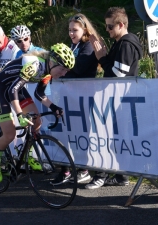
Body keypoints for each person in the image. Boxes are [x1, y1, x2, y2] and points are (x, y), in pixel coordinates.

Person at [0, 43, 75, 182]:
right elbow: (12, 91)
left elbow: (40, 94)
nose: (64, 73)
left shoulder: (47, 71)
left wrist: (54, 107)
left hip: (16, 89)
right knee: (10, 134)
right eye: (63, 69)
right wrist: (19, 114)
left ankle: (27, 156)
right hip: (0, 89)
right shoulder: (34, 65)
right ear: (53, 61)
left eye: (66, 71)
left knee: (37, 121)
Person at [84, 7, 143, 189]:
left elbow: (118, 73)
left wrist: (102, 57)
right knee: (114, 138)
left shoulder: (126, 44)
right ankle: (120, 175)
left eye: (110, 27)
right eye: (106, 27)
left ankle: (102, 175)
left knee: (108, 137)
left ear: (121, 24)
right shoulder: (121, 42)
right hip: (118, 99)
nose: (108, 30)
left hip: (121, 100)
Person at [50, 13, 100, 186]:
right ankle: (67, 168)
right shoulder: (73, 45)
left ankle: (84, 169)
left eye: (75, 30)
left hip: (84, 95)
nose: (71, 33)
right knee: (67, 133)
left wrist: (60, 65)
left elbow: (78, 68)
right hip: (68, 95)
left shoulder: (88, 46)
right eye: (70, 30)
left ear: (84, 29)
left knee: (81, 134)